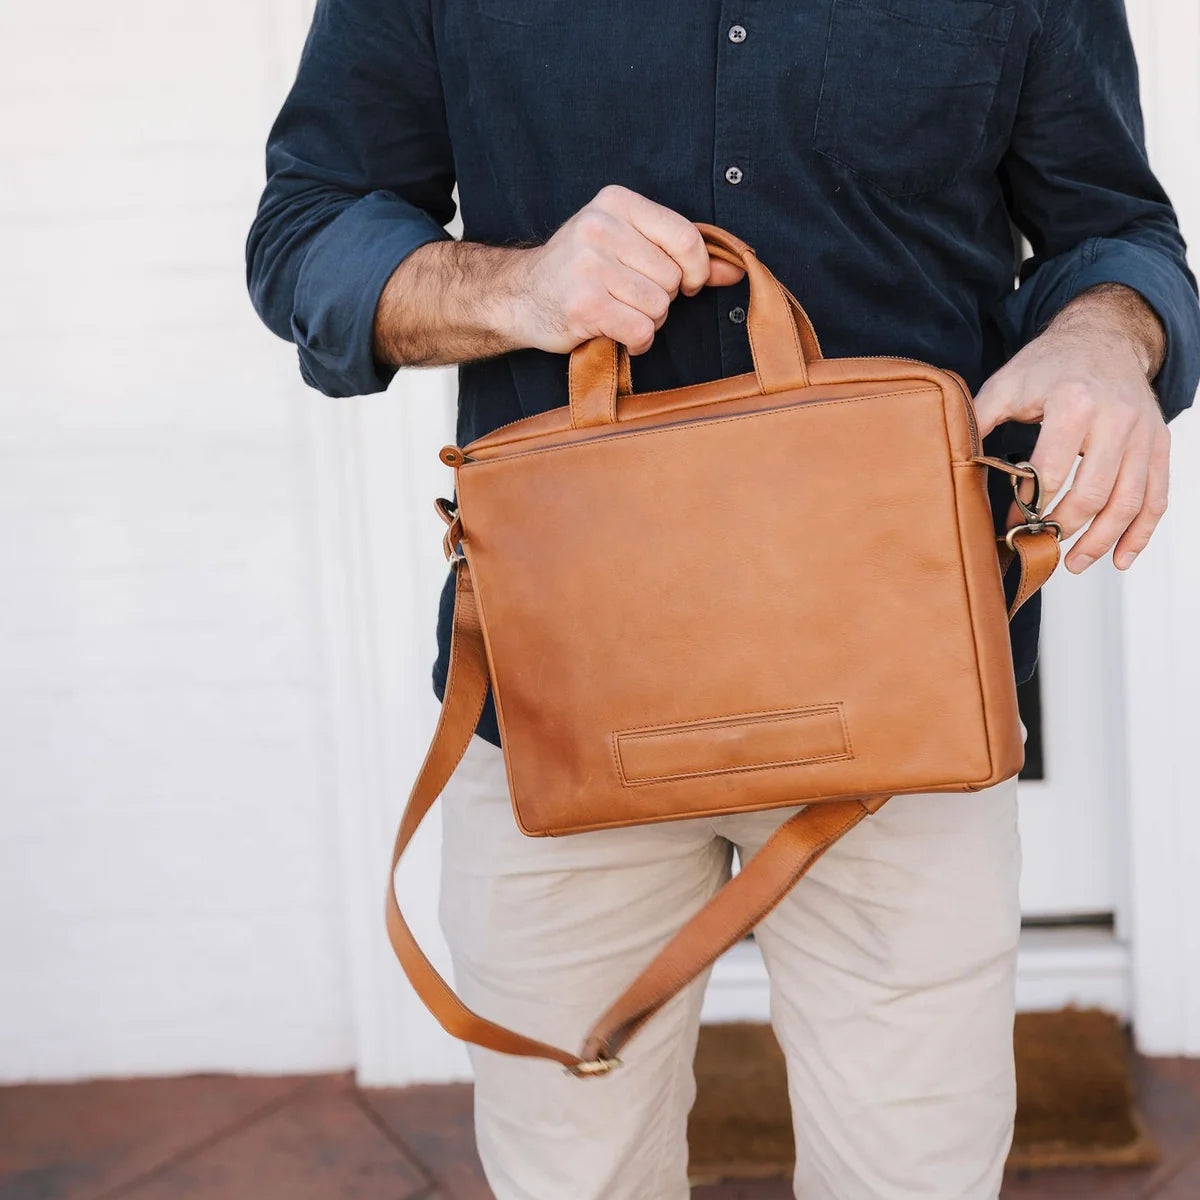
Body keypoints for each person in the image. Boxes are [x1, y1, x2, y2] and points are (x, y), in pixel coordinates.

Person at [247, 2, 1200, 1196]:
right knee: (570, 1176)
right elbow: (305, 232)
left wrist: (1111, 338)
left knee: (918, 1174)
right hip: (563, 705)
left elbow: (1112, 234)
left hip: (908, 716)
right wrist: (522, 288)